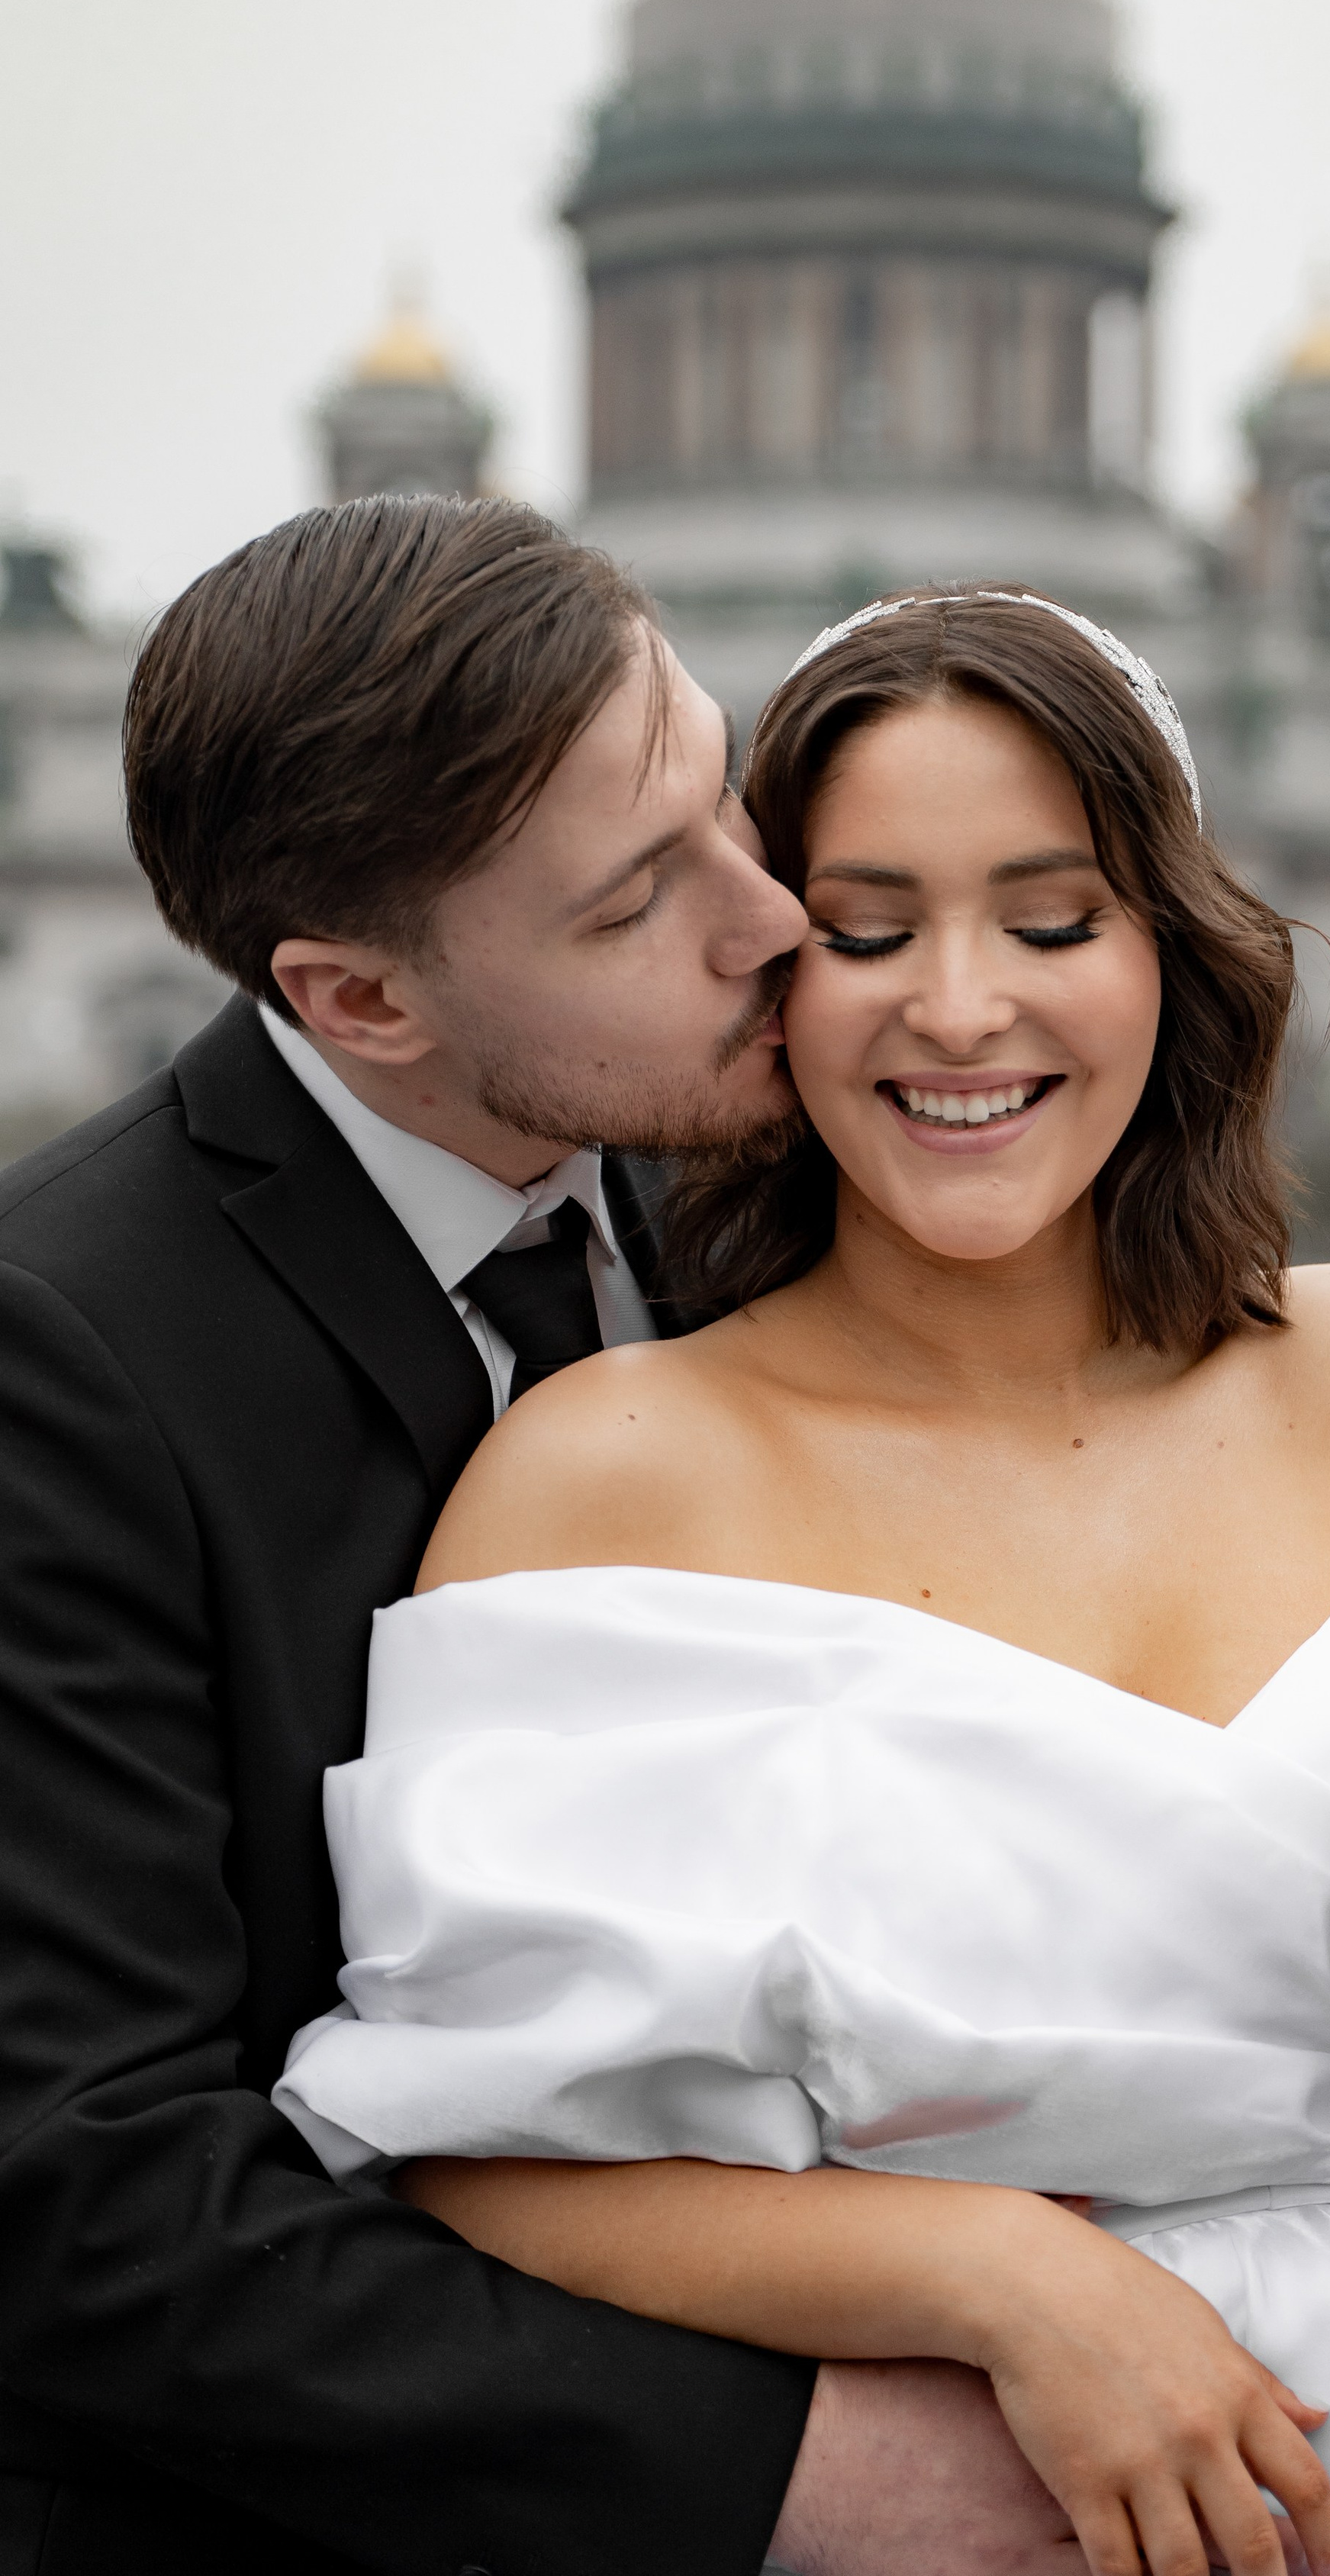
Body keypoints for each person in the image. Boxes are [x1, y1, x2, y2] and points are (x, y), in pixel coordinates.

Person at [276, 590, 1330, 2576]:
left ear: (1171, 952)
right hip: (932, 2492)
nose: (961, 1009)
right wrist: (1001, 2279)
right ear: (770, 974)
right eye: (868, 929)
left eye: (1052, 920)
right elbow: (465, 2154)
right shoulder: (603, 1471)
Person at [0, 504, 1118, 2576]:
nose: (770, 919)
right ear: (359, 998)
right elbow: (90, 2201)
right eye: (634, 904)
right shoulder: (61, 1361)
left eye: (718, 793)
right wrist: (811, 2468)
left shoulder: (777, 1181)